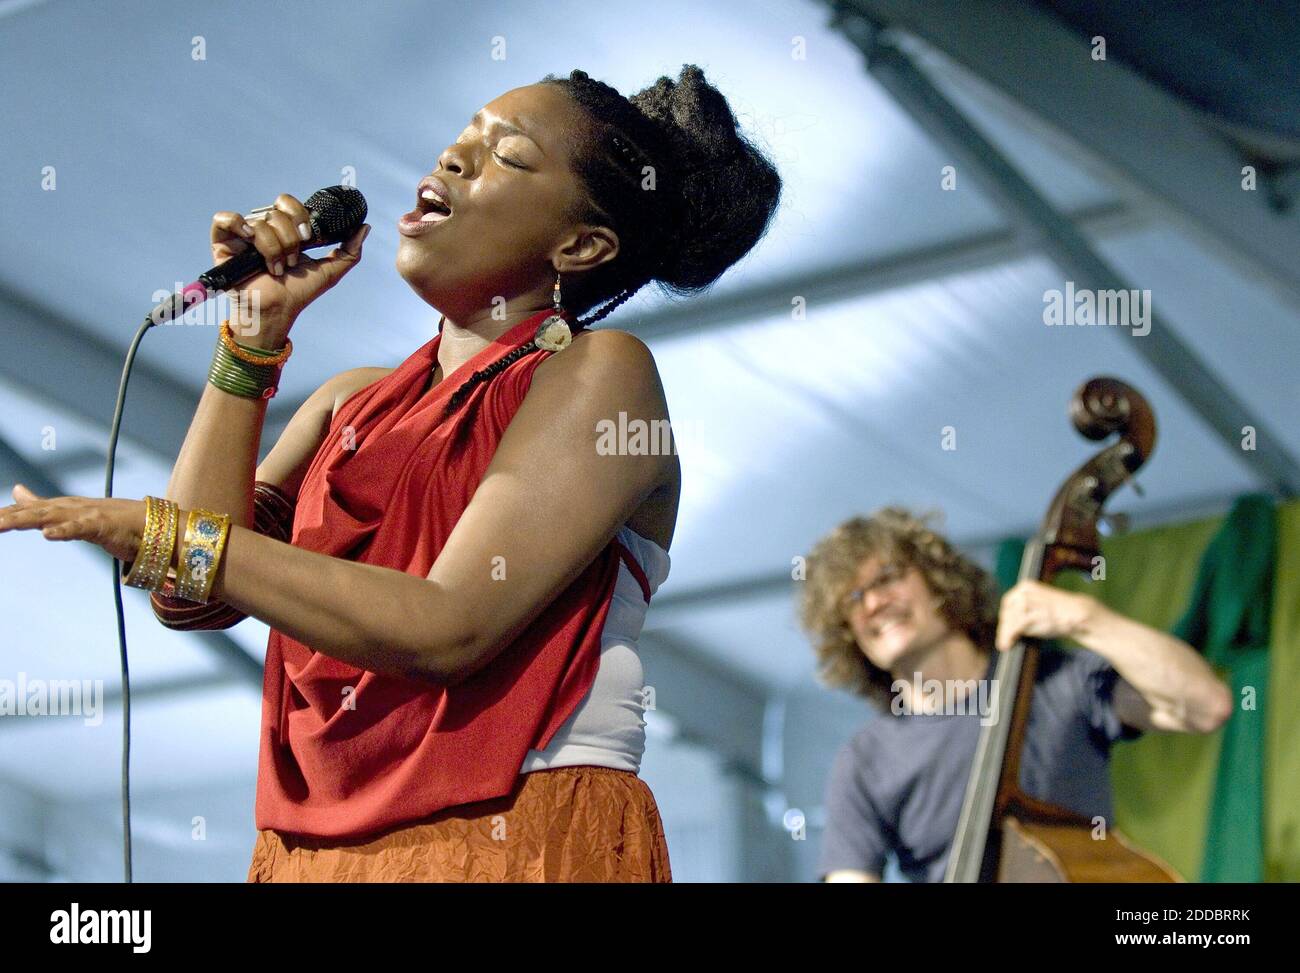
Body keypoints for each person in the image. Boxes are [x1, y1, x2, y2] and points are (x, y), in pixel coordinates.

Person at [0, 65, 781, 882]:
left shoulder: (600, 374)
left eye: (506, 157)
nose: (452, 159)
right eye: (462, 139)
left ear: (580, 246)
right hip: (312, 854)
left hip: (512, 832)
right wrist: (252, 341)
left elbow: (444, 627)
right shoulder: (349, 403)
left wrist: (154, 530)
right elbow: (187, 590)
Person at [799, 507, 1233, 883]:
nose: (873, 602)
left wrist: (1086, 619)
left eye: (888, 577)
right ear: (848, 632)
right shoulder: (865, 761)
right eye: (854, 598)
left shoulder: (1057, 682)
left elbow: (1205, 704)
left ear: (938, 580)